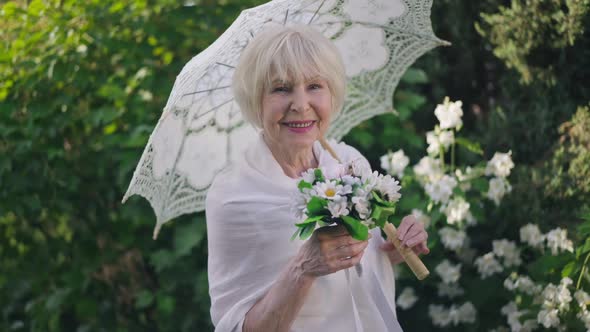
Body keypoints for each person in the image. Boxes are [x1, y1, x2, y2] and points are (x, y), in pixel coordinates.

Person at [205, 24, 429, 332]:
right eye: (281, 88)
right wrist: (303, 269)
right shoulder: (232, 196)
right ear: (255, 99)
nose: (300, 104)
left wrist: (390, 250)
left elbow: (355, 269)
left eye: (314, 86)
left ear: (332, 91)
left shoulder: (348, 160)